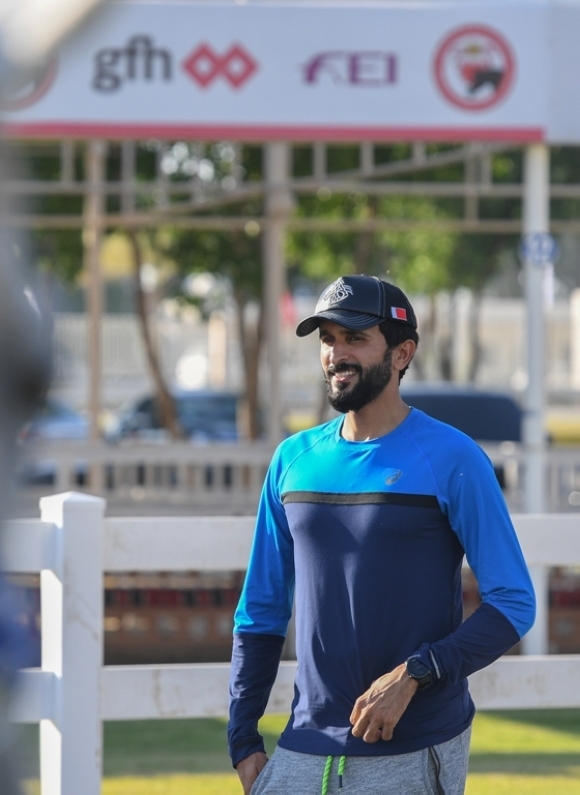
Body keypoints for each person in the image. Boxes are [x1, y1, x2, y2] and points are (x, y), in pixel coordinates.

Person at [228, 274, 536, 795]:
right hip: (301, 747)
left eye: (355, 338)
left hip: (414, 746)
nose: (335, 353)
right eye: (327, 339)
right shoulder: (292, 460)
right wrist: (242, 738)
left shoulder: (453, 458)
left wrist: (415, 674)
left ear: (401, 353)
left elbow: (514, 603)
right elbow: (260, 608)